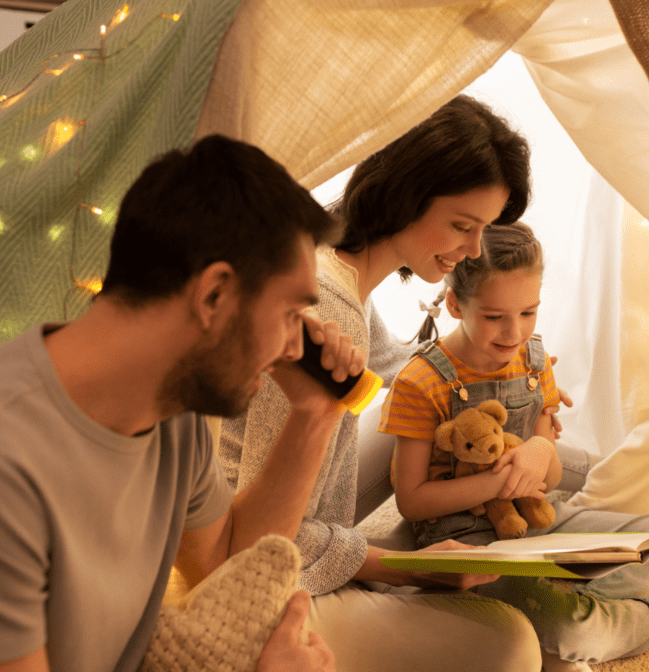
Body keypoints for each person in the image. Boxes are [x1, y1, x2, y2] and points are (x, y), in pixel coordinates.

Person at [0, 135, 363, 672]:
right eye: (290, 314)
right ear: (214, 295)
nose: (294, 345)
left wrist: (314, 415)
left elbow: (229, 562)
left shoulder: (171, 416)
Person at [217, 94, 545, 671]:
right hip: (241, 582)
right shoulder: (329, 307)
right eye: (463, 227)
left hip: (277, 521)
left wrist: (524, 411)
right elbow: (264, 544)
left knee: (420, 418)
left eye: (484, 229)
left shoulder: (324, 257)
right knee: (513, 644)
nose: (473, 251)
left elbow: (398, 371)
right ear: (404, 196)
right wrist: (403, 566)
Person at [379, 221, 649, 671]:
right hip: (467, 544)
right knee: (571, 628)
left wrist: (542, 452)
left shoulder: (534, 360)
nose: (513, 333)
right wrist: (498, 482)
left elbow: (550, 480)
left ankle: (574, 584)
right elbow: (412, 501)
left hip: (539, 518)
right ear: (457, 304)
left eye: (528, 312)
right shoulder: (419, 383)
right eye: (495, 316)